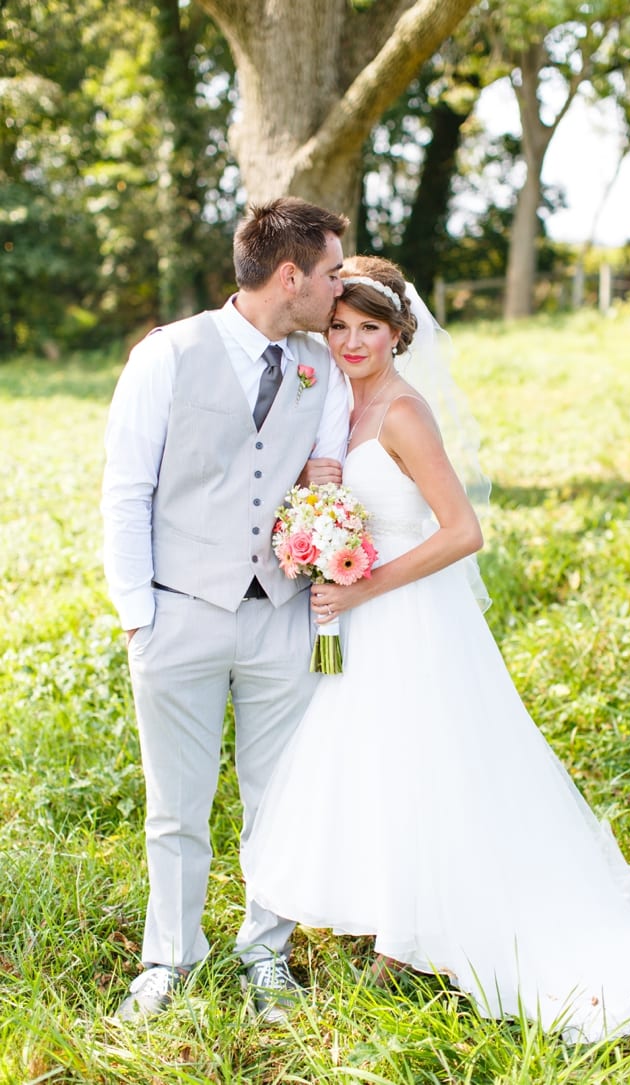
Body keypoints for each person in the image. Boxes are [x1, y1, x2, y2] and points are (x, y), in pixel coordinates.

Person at [242, 256, 630, 1043]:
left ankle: (411, 938)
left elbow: (463, 531)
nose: (352, 341)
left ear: (400, 333)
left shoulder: (401, 411)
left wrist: (364, 585)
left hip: (407, 614)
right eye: (339, 325)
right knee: (372, 760)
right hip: (356, 616)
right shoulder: (334, 403)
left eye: (370, 327)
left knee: (426, 759)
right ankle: (390, 915)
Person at [101, 197, 351, 1023]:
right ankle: (170, 958)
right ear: (291, 275)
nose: (338, 286)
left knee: (277, 796)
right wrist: (141, 614)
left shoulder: (320, 366)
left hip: (280, 616)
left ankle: (265, 954)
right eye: (331, 271)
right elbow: (126, 489)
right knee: (175, 802)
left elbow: (328, 480)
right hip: (179, 614)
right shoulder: (165, 355)